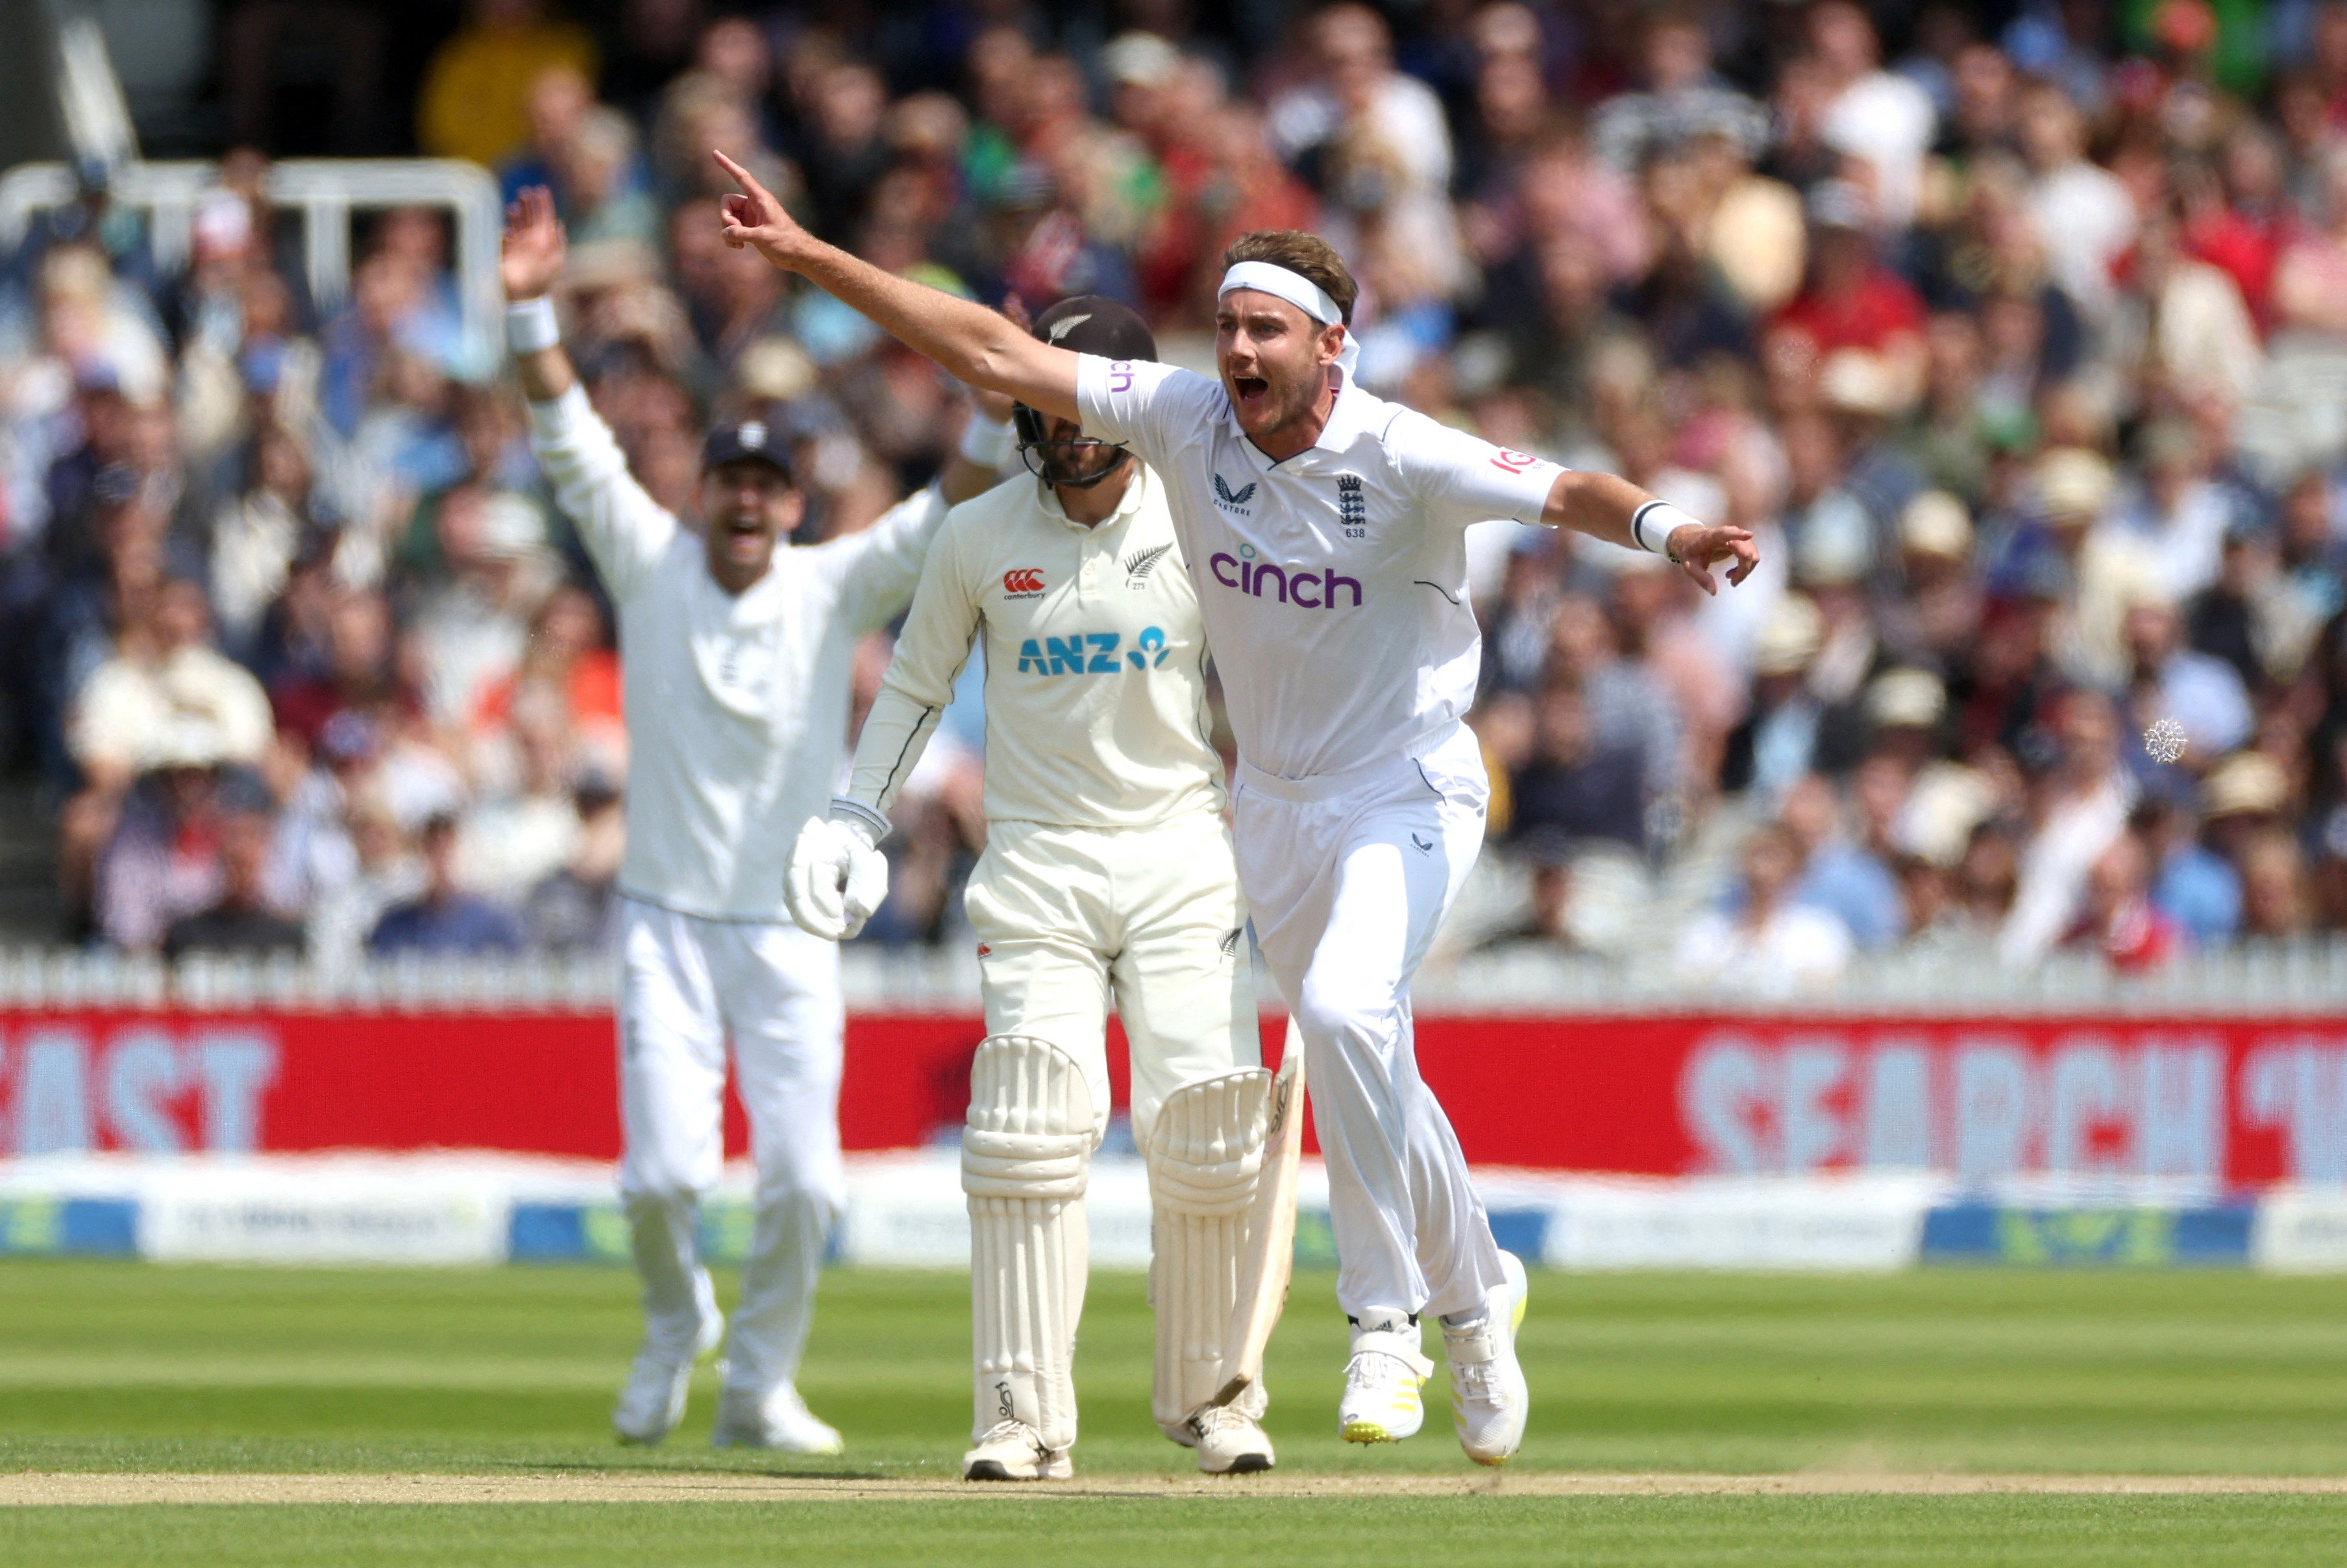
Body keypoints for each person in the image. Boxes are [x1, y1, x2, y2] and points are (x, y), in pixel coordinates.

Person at [715, 150, 1758, 1466]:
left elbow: (1561, 491)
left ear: (1332, 344)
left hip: (1409, 786)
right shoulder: (1183, 419)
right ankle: (1478, 1291)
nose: (1237, 347)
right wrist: (808, 256)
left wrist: (1671, 530)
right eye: (1225, 324)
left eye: (1264, 327)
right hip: (1268, 802)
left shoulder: (1399, 446)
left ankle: (1390, 1313)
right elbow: (988, 348)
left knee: (1338, 1014)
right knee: (1362, 1052)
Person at [498, 187, 1003, 1454]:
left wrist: (1001, 398)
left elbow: (945, 507)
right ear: (706, 486)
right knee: (662, 1176)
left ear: (794, 500)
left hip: (786, 926)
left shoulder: (834, 584)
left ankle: (757, 1382)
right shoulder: (643, 556)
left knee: (807, 1180)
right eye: (728, 478)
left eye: (767, 485)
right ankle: (676, 1322)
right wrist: (522, 304)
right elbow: (566, 431)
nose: (743, 502)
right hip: (664, 916)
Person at [787, 299, 1276, 1480]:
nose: (1062, 421)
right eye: (1044, 397)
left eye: (1085, 394)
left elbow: (1289, 676)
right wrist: (858, 813)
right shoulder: (977, 534)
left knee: (1209, 1126)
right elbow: (912, 688)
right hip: (1039, 861)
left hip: (1179, 853)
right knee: (1027, 1126)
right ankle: (1019, 1416)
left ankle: (1213, 1398)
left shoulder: (1209, 518)